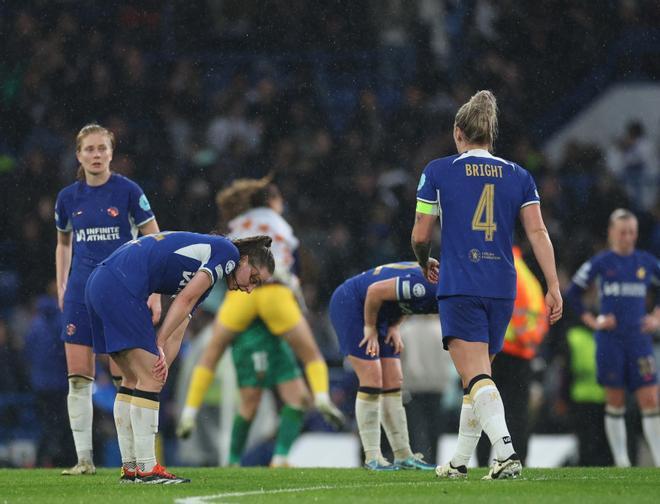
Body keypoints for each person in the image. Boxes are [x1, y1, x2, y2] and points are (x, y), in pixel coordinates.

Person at [411, 90, 562, 480]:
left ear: (458, 132)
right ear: (490, 136)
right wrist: (552, 284)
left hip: (461, 283)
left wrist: (422, 257)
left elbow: (421, 232)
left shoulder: (439, 171)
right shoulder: (518, 175)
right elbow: (538, 232)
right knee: (478, 378)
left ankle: (506, 452)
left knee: (476, 376)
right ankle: (461, 461)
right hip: (503, 285)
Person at [177, 177, 344, 467]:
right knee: (310, 354)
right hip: (275, 292)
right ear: (272, 202)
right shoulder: (282, 226)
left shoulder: (236, 225)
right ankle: (321, 396)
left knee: (212, 353)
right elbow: (295, 265)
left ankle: (190, 411)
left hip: (241, 296)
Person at [85, 231, 274, 484]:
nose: (250, 289)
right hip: (121, 286)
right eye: (253, 278)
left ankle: (131, 469)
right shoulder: (228, 253)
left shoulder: (208, 269)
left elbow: (180, 323)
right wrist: (158, 345)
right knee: (147, 379)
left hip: (100, 283)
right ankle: (147, 470)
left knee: (132, 379)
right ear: (245, 260)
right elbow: (183, 301)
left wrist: (161, 368)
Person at [55, 123, 161, 476]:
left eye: (102, 148)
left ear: (112, 153)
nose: (96, 155)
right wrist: (62, 286)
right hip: (81, 292)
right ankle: (84, 459)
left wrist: (156, 291)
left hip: (121, 292)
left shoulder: (128, 191)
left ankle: (130, 458)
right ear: (79, 155)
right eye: (90, 149)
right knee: (78, 378)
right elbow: (63, 243)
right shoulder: (68, 197)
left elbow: (154, 239)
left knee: (125, 377)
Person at [565, 208, 660, 467]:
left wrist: (656, 316)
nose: (627, 237)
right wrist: (593, 320)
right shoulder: (601, 262)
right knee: (615, 399)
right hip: (610, 341)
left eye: (631, 232)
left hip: (639, 340)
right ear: (611, 233)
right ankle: (622, 461)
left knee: (651, 399)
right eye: (622, 232)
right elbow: (572, 293)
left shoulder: (646, 262)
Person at [329, 261, 439, 471]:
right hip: (353, 305)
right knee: (372, 377)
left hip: (382, 311)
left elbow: (409, 301)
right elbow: (376, 290)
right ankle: (372, 456)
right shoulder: (431, 285)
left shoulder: (443, 285)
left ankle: (403, 455)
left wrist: (396, 324)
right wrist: (369, 327)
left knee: (394, 379)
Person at [476, 245, 548, 466]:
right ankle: (519, 459)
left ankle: (482, 460)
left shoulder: (503, 268)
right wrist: (529, 339)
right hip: (522, 354)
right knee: (517, 412)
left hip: (501, 351)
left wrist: (515, 334)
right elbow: (539, 314)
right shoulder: (528, 276)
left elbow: (506, 308)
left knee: (487, 407)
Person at [23, 281, 75, 467]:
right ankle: (58, 459)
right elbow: (65, 349)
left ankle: (42, 459)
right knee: (61, 424)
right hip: (58, 382)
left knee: (47, 424)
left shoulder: (36, 320)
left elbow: (27, 351)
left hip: (39, 383)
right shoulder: (61, 318)